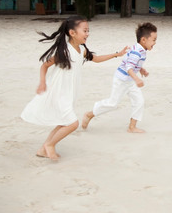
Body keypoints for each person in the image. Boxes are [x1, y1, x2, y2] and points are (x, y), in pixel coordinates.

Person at [21, 16, 128, 161]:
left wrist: (117, 54)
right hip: (58, 91)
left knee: (64, 122)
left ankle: (42, 149)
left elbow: (96, 59)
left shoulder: (82, 49)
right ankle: (50, 145)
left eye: (88, 30)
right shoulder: (64, 51)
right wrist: (42, 83)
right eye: (84, 30)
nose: (87, 33)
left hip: (68, 93)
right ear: (72, 33)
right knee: (72, 123)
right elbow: (45, 65)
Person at [81, 22, 157, 133]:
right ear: (143, 40)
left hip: (130, 80)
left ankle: (132, 127)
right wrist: (137, 79)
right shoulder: (137, 51)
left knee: (139, 101)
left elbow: (132, 62)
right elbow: (129, 67)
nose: (155, 42)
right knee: (113, 103)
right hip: (122, 80)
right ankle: (89, 114)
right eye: (154, 40)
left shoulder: (140, 49)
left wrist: (141, 69)